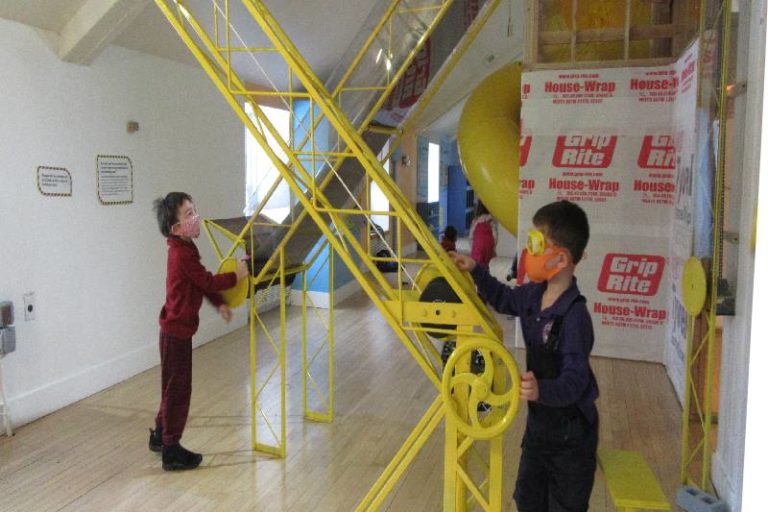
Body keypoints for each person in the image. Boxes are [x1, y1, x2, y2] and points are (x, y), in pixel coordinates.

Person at [450, 200, 598, 512]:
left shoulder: (575, 316)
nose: (527, 252)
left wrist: (543, 389)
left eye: (535, 244)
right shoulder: (533, 295)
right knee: (529, 499)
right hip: (539, 430)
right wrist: (476, 270)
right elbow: (504, 298)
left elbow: (576, 380)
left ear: (560, 257)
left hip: (572, 439)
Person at [149, 192, 249, 471]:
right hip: (176, 334)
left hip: (175, 331)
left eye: (195, 210)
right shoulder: (181, 255)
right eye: (189, 214)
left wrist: (219, 305)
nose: (196, 218)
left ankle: (160, 435)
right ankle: (171, 449)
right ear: (176, 229)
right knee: (179, 390)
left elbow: (200, 285)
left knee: (171, 386)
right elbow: (208, 280)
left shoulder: (186, 248)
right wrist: (236, 276)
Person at [469, 201, 496, 270]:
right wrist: (493, 248)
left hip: (477, 246)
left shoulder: (476, 220)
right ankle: (486, 276)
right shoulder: (492, 220)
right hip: (488, 247)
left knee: (476, 265)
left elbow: (471, 236)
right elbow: (495, 236)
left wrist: (472, 246)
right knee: (485, 264)